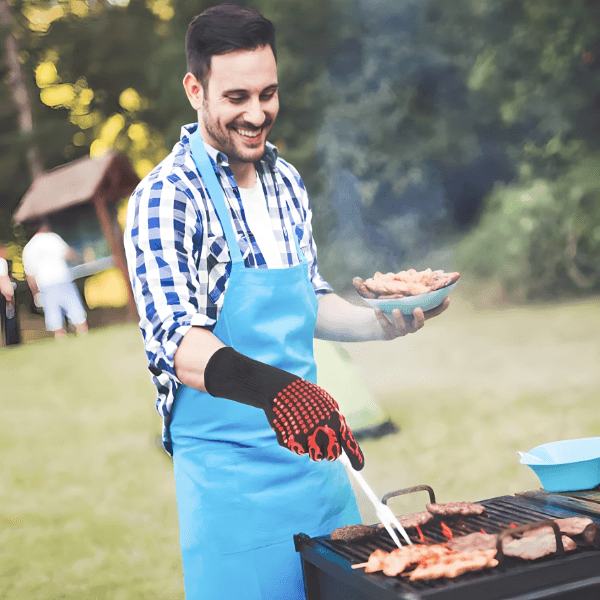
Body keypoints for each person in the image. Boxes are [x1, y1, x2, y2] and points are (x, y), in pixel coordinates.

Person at [124, 4, 449, 599]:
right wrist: (279, 391)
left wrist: (389, 324)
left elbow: (308, 301)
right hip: (234, 492)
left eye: (268, 93)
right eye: (237, 97)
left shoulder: (285, 182)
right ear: (195, 89)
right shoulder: (165, 198)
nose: (257, 114)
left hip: (320, 471)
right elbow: (174, 341)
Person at [22, 220, 88, 338]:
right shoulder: (52, 238)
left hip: (45, 284)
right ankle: (83, 333)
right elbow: (68, 253)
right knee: (75, 310)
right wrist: (82, 260)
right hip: (62, 278)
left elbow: (30, 276)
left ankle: (61, 337)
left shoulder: (28, 248)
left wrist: (35, 293)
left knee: (54, 317)